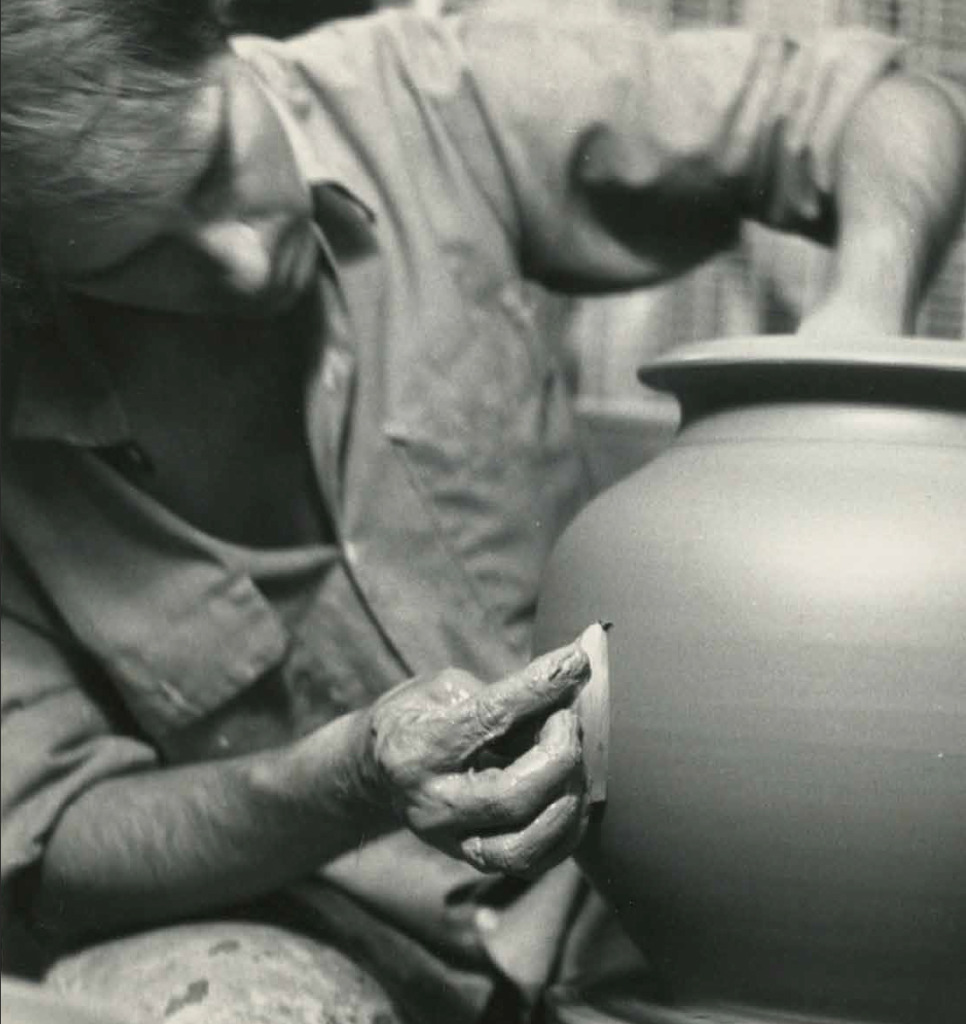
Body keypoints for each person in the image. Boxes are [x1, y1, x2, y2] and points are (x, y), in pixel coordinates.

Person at [1, 1, 964, 1022]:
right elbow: (53, 845)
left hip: (633, 901)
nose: (237, 257)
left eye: (212, 163)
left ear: (220, 36)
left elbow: (883, 105)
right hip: (320, 929)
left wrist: (861, 313)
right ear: (29, 278)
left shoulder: (425, 95)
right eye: (134, 258)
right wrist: (348, 778)